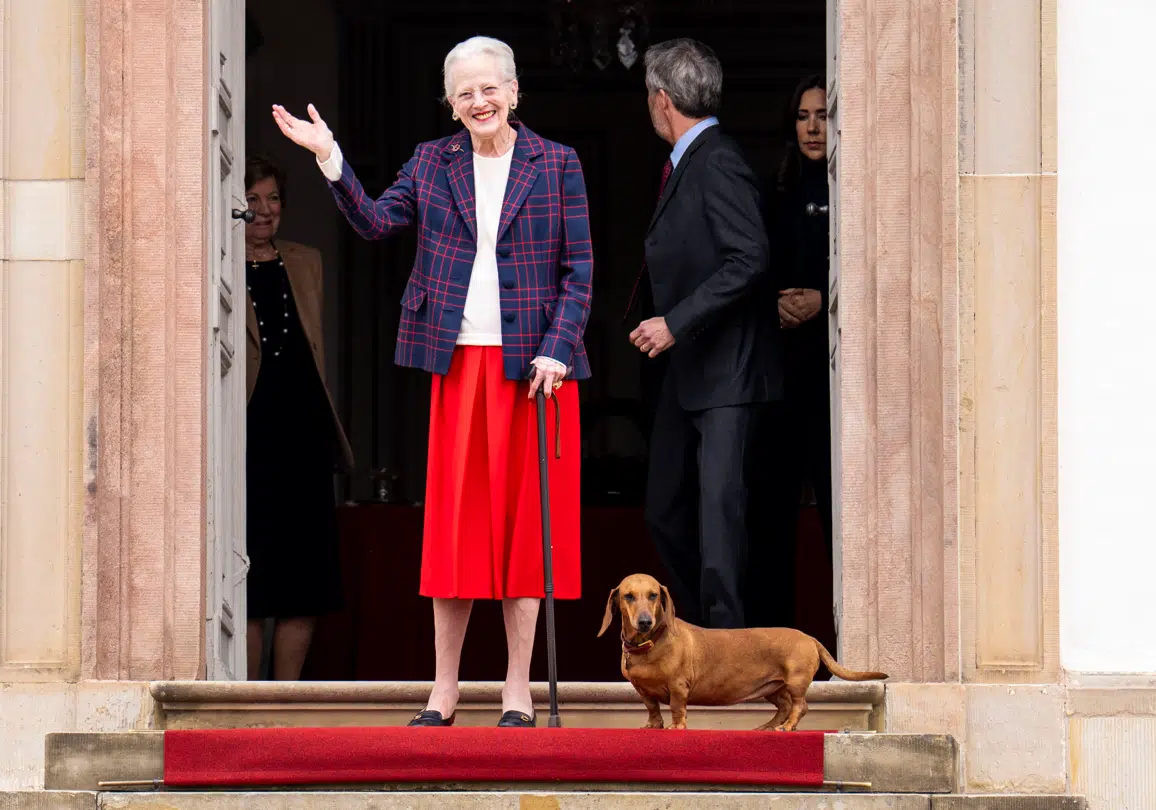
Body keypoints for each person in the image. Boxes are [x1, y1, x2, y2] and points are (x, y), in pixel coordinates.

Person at [271, 35, 593, 727]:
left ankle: (516, 688)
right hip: (460, 367)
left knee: (523, 533)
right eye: (464, 92)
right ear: (449, 104)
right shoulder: (431, 162)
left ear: (514, 92)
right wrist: (328, 156)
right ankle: (444, 689)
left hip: (536, 371)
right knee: (455, 531)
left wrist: (557, 349)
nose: (479, 101)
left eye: (490, 88)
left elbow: (580, 271)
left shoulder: (558, 163)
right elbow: (374, 221)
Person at [627, 38, 780, 630]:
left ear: (662, 100)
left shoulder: (717, 160)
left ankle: (728, 647)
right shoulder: (689, 160)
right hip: (688, 374)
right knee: (665, 511)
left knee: (721, 527)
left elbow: (750, 258)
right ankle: (701, 635)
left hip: (729, 375)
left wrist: (675, 321)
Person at [242, 156, 355, 681]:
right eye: (253, 199)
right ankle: (245, 701)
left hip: (304, 436)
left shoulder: (307, 261)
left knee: (304, 581)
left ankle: (285, 697)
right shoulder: (217, 264)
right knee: (251, 580)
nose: (264, 210)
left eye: (273, 198)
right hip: (250, 439)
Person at [747, 74, 832, 630]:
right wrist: (773, 306)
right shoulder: (773, 192)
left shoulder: (852, 193)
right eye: (803, 116)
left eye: (823, 115)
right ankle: (772, 646)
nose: (813, 127)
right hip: (779, 375)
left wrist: (826, 299)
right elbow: (751, 270)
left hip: (832, 379)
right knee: (770, 516)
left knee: (837, 513)